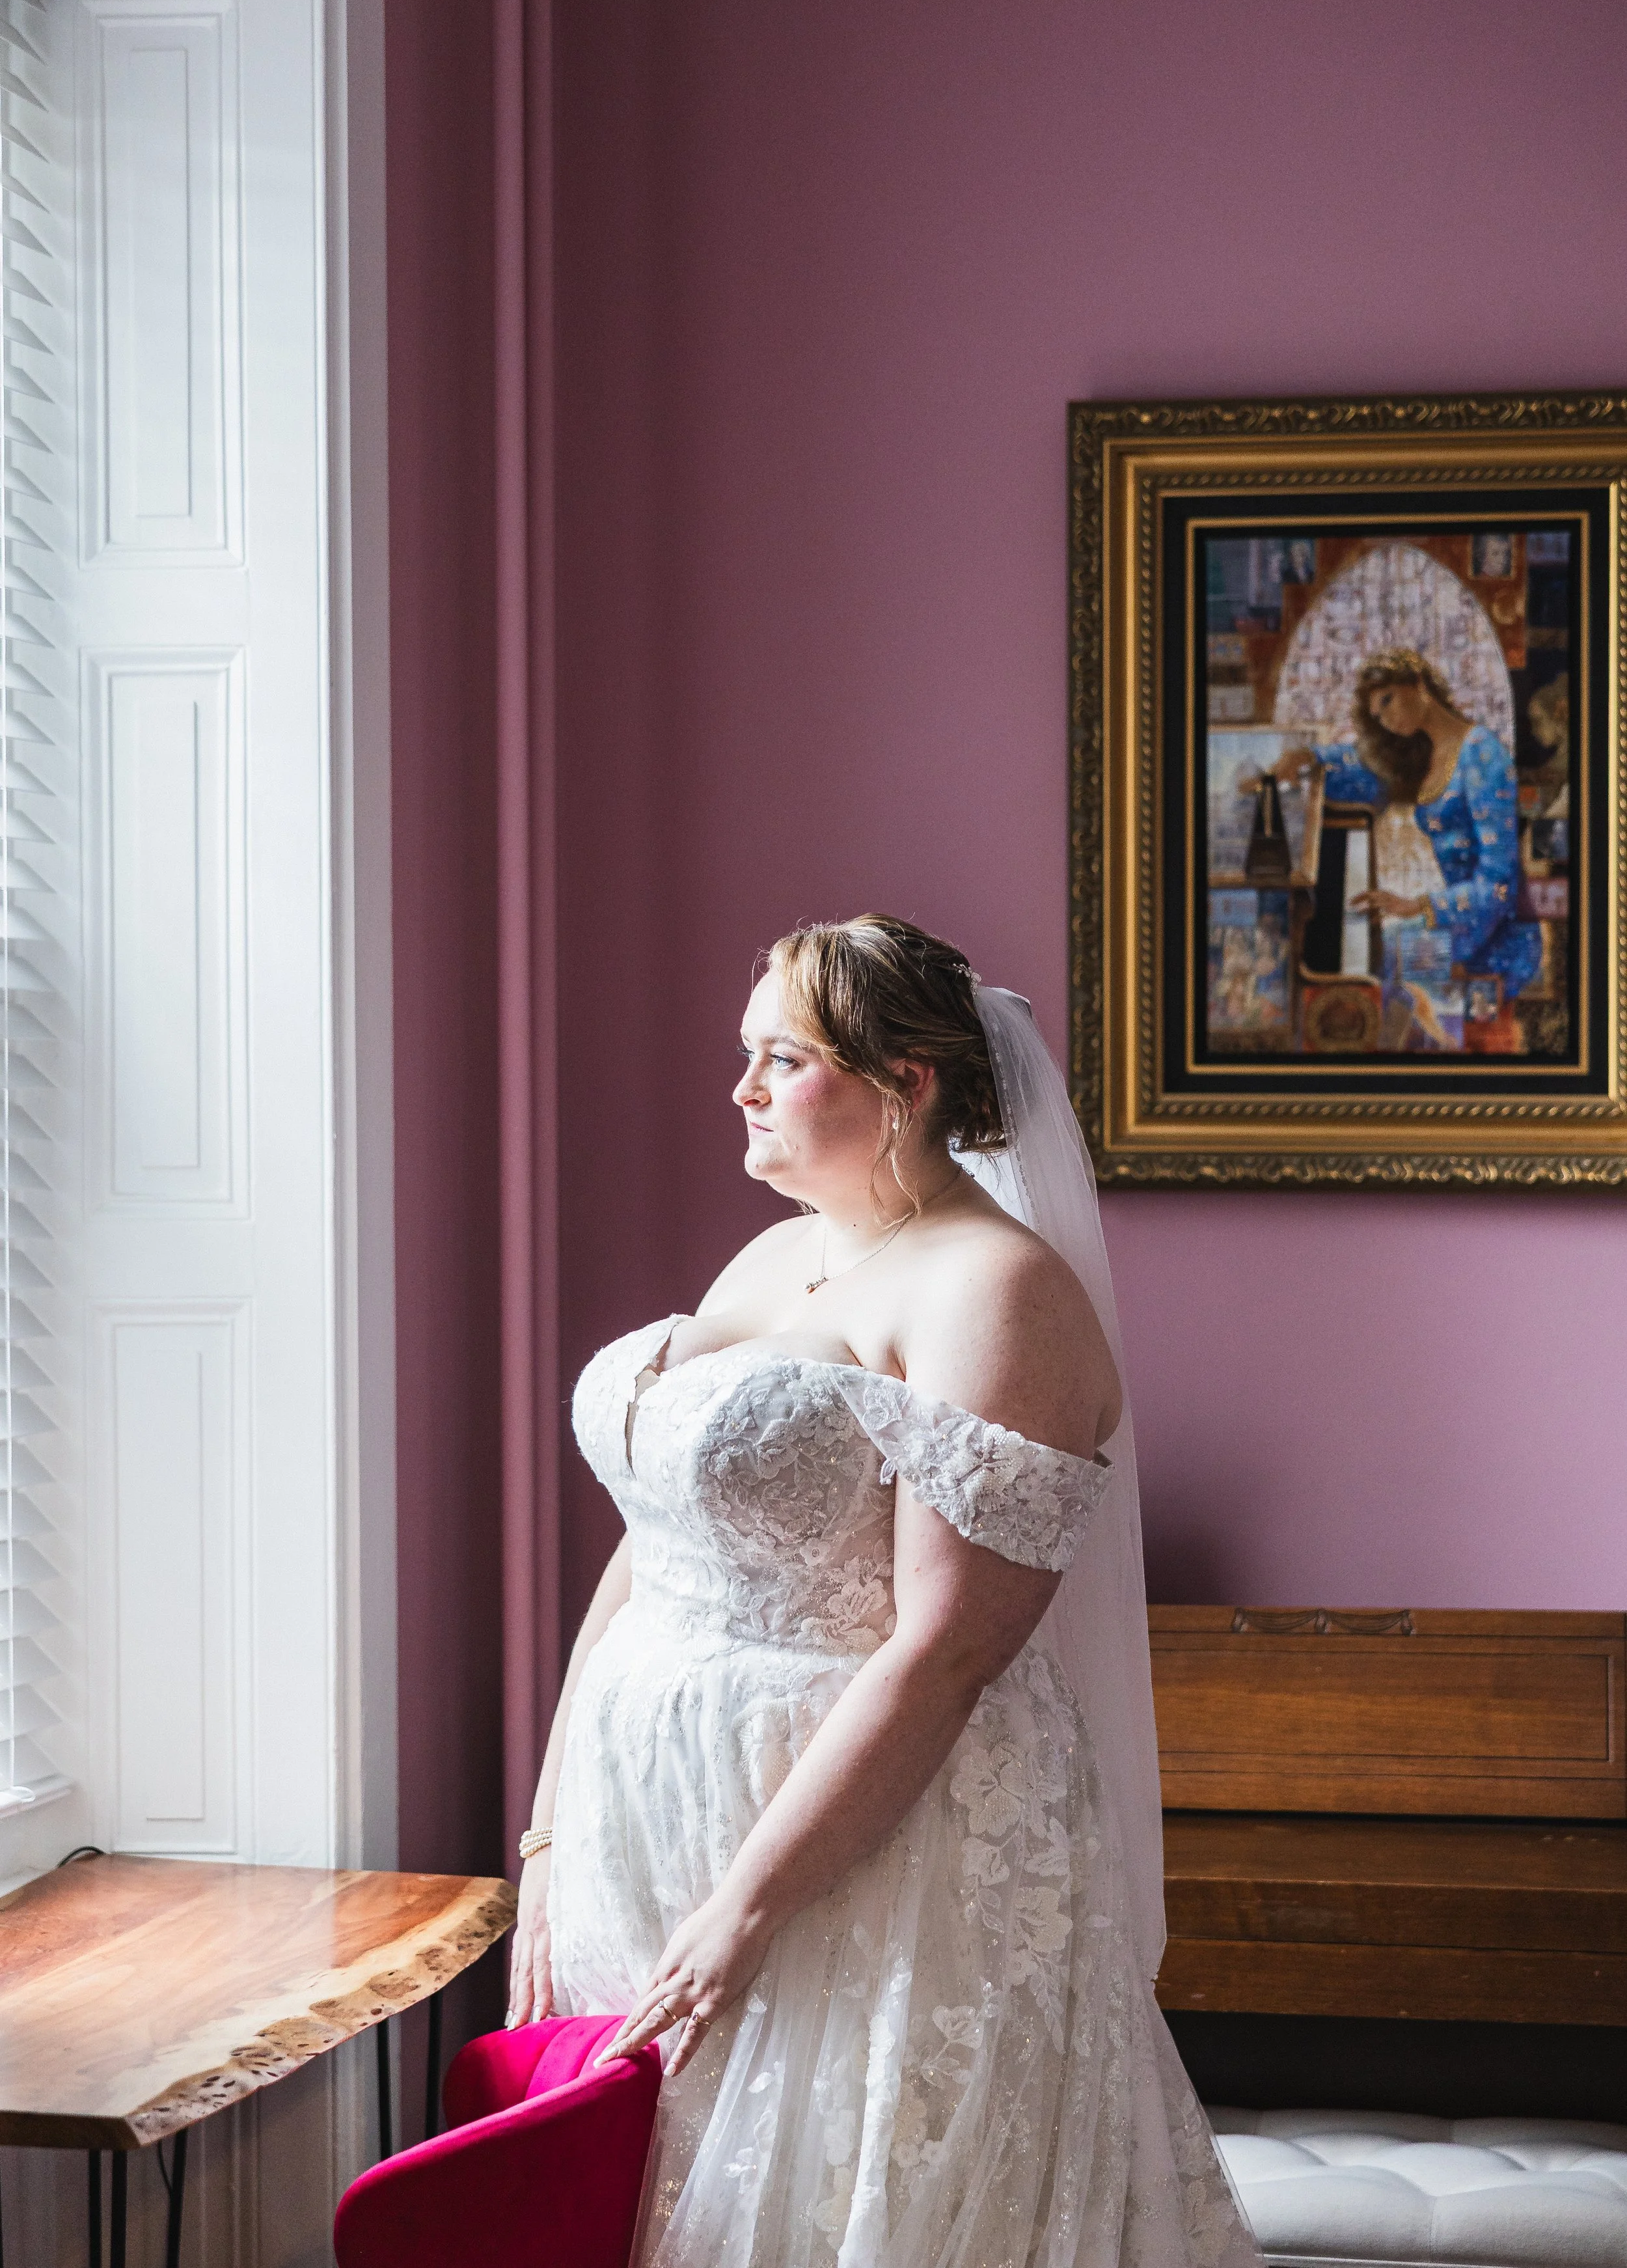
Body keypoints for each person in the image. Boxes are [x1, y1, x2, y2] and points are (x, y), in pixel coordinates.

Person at [508, 915, 1261, 2268]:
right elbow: (655, 1542)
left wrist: (745, 1908)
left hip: (866, 1848)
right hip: (657, 1806)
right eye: (746, 1055)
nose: (739, 1088)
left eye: (781, 1058)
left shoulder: (995, 1292)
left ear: (904, 1083)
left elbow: (945, 1650)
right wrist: (551, 1836)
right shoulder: (774, 1255)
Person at [1272, 646, 1540, 1000]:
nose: (1387, 720)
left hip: (1494, 938)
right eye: (1378, 716)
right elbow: (1365, 768)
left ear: (1418, 682)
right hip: (1452, 918)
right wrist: (1310, 756)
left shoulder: (1483, 755)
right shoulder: (1421, 751)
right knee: (1369, 959)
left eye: (1388, 701)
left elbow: (1499, 886)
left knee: (1381, 982)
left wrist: (1419, 907)